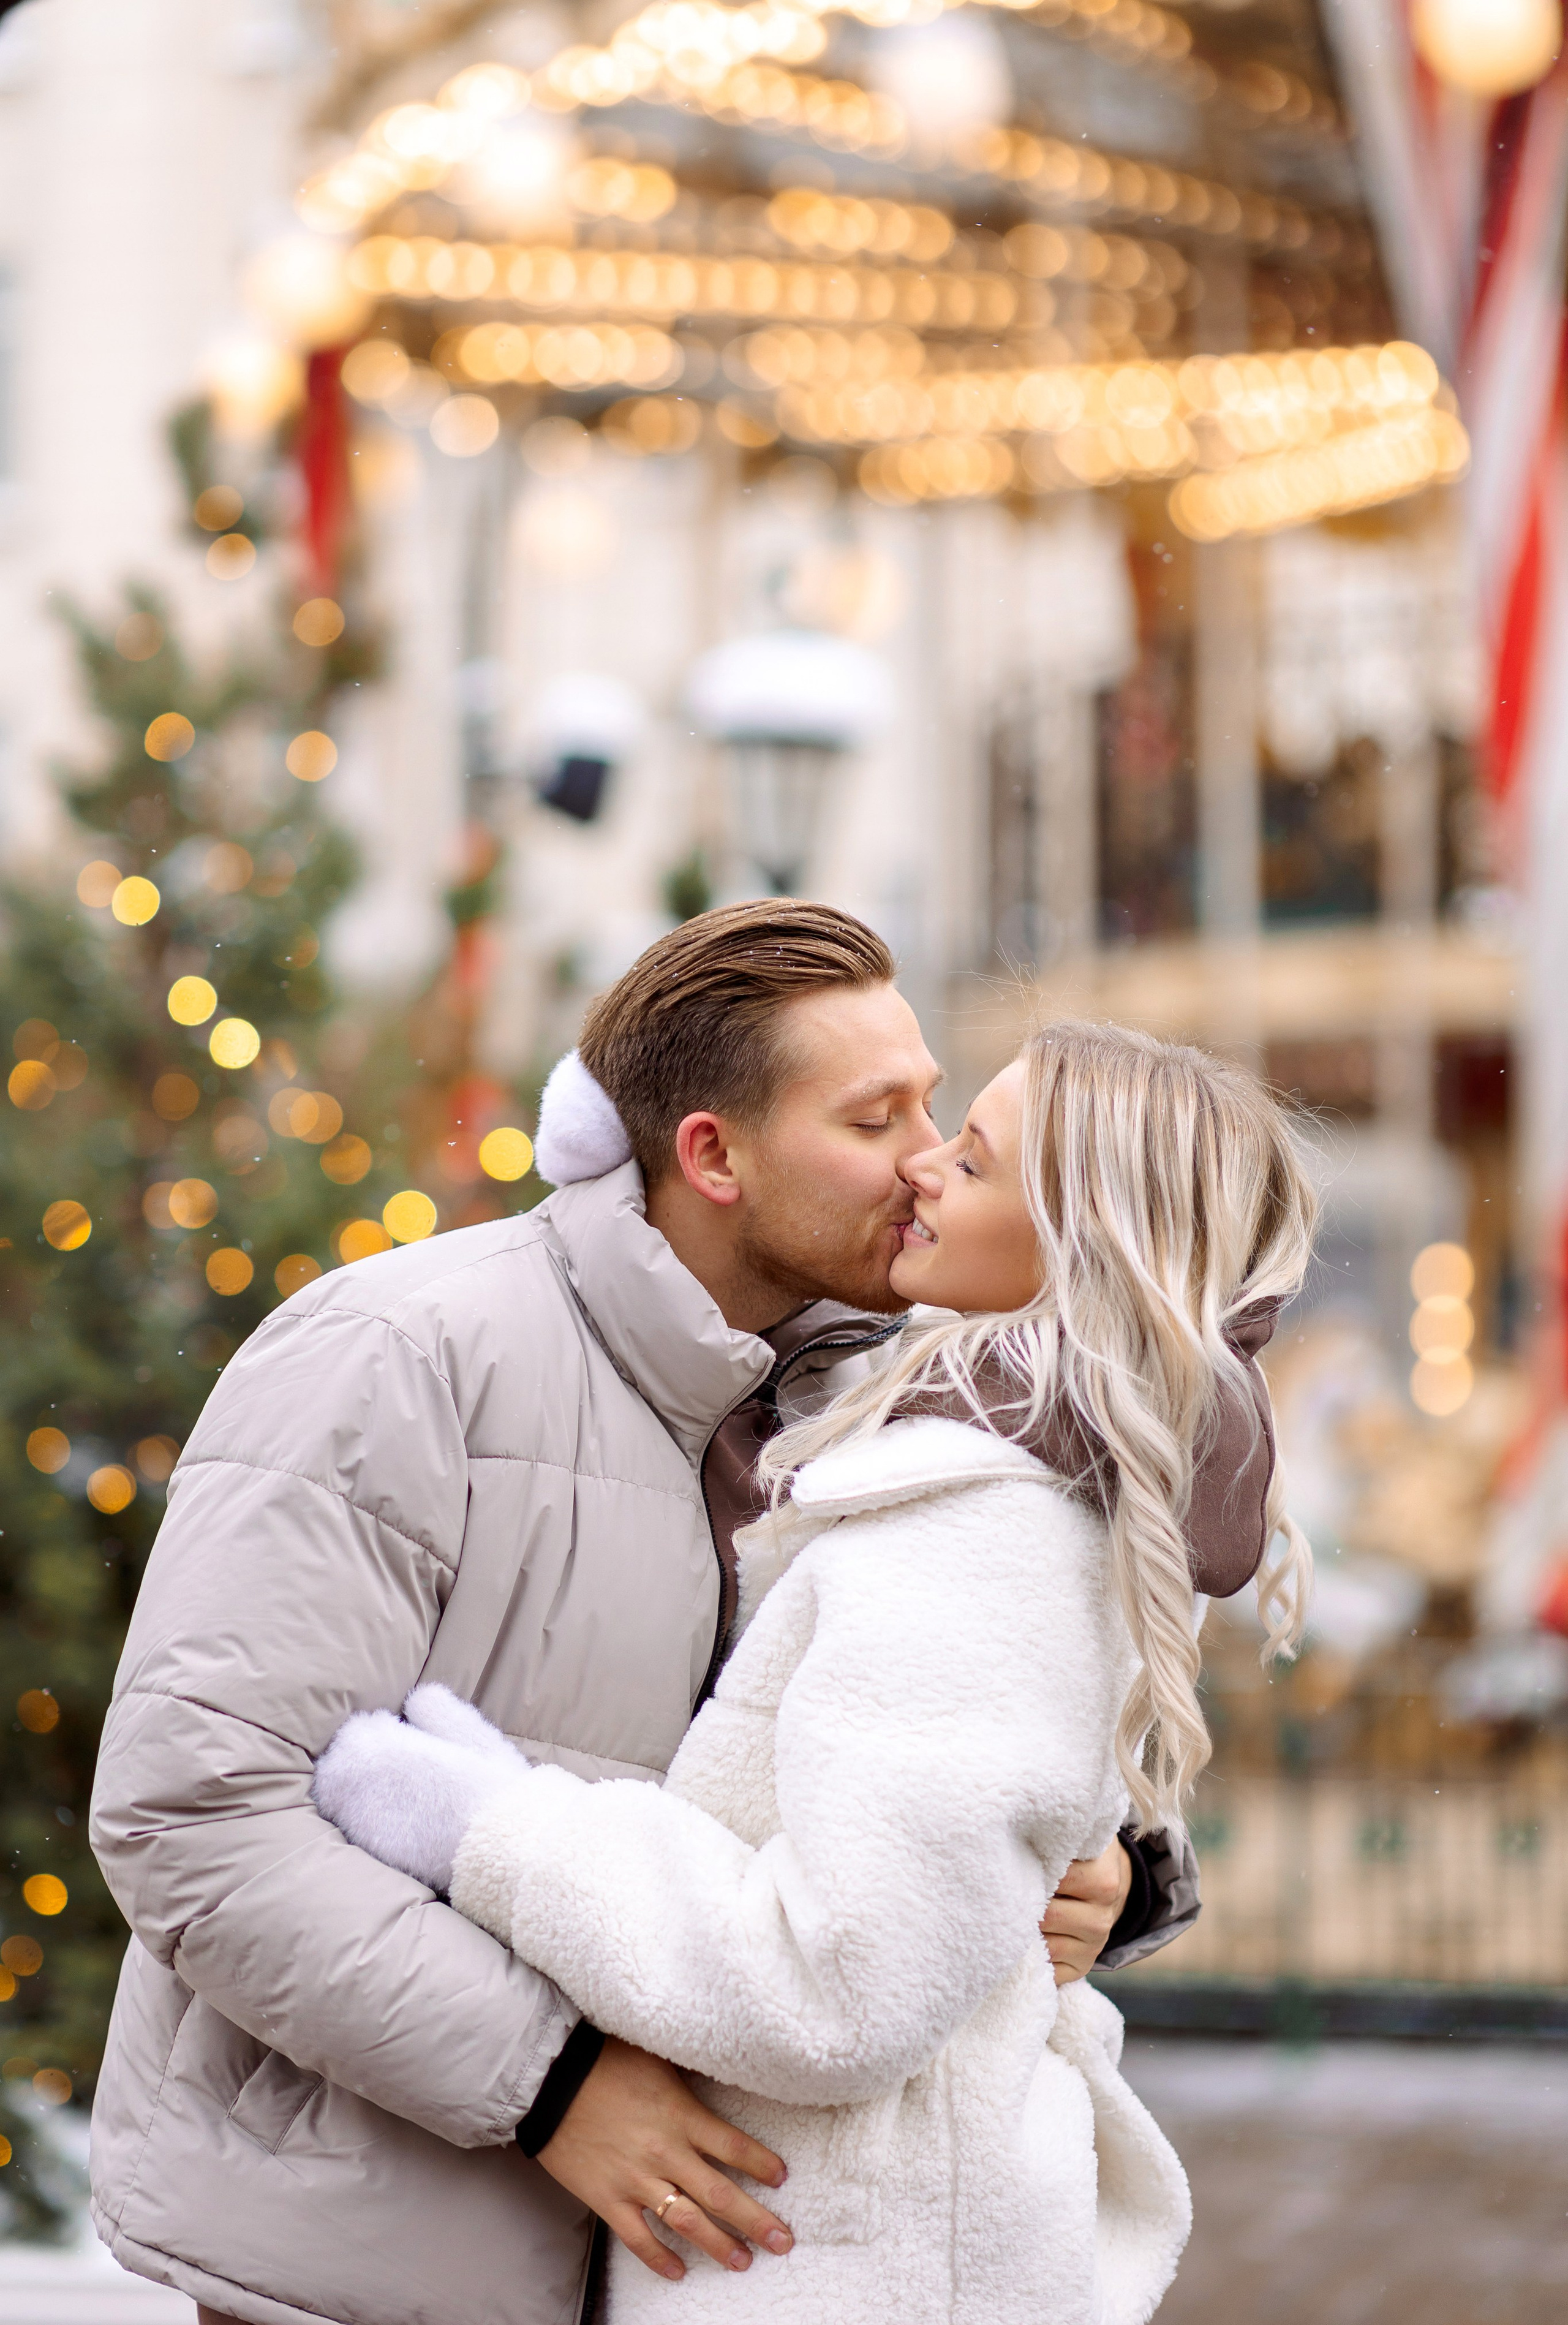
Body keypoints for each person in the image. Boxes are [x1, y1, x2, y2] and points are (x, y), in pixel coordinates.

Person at [89, 904, 1281, 2325]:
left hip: (714, 2264)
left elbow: (924, 1767)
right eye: (872, 1117)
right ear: (712, 1153)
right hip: (392, 2258)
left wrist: (1105, 1869)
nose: (923, 1157)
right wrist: (549, 2084)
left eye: (936, 1110)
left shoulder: (909, 1402)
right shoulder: (400, 1354)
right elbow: (194, 1814)